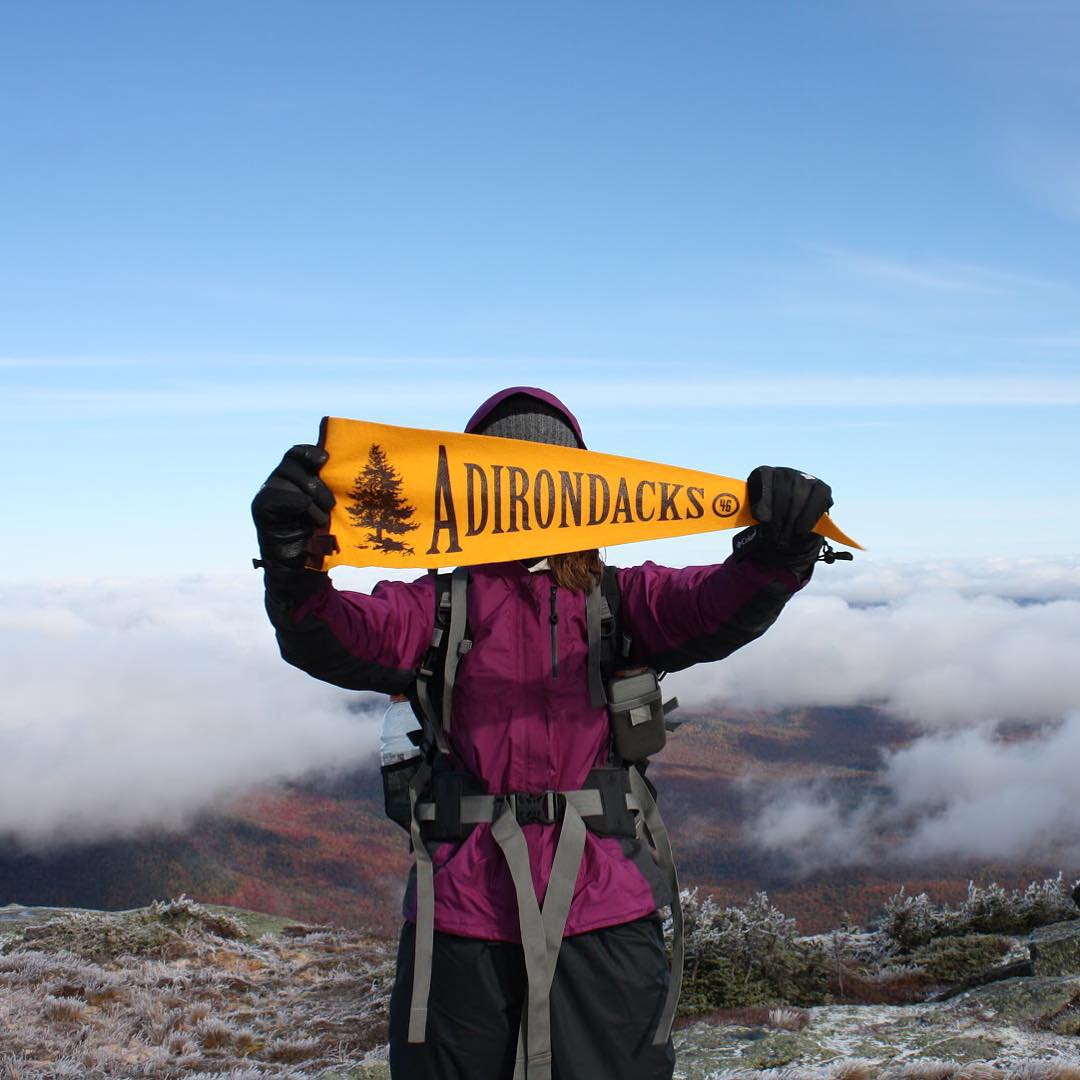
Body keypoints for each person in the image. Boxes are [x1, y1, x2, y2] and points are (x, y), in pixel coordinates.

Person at [251, 387, 833, 1080]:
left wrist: (779, 549)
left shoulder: (615, 601)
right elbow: (331, 634)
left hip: (582, 910)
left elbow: (718, 603)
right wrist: (292, 566)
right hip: (473, 916)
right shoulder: (439, 607)